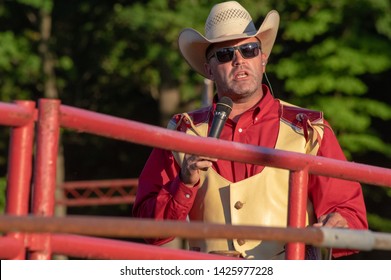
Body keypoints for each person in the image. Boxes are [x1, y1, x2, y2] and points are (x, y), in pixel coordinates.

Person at [133, 1, 368, 259]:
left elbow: (351, 218)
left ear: (263, 59)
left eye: (249, 50)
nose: (238, 60)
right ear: (209, 69)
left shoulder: (309, 129)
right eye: (224, 54)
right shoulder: (182, 132)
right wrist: (184, 183)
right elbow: (149, 229)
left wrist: (339, 224)